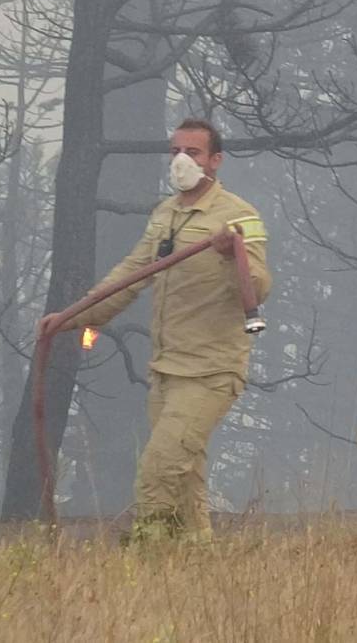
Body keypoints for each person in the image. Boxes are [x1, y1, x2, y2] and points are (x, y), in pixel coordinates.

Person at [38, 118, 271, 543]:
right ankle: (196, 568)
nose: (181, 160)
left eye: (193, 152)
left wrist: (228, 253)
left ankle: (146, 556)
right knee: (184, 483)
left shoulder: (240, 215)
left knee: (159, 470)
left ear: (215, 161)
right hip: (165, 371)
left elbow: (258, 287)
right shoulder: (164, 215)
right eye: (175, 151)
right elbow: (131, 275)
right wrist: (71, 317)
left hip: (211, 371)